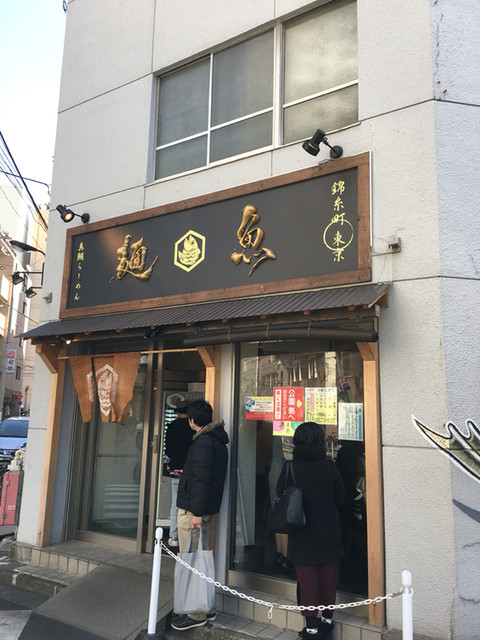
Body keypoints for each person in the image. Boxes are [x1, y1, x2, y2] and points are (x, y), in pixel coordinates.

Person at [276, 422, 346, 640]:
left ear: (296, 441)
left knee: (307, 581)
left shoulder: (290, 467)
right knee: (328, 578)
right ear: (321, 441)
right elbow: (341, 497)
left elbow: (279, 493)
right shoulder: (329, 467)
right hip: (328, 531)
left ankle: (312, 629)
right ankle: (327, 622)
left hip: (302, 532)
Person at [171, 399, 229, 632]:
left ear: (193, 420)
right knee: (201, 558)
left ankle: (196, 613)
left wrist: (196, 512)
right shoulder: (216, 441)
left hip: (193, 511)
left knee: (192, 559)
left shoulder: (203, 443)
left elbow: (201, 480)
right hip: (201, 509)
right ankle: (207, 607)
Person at [164, 402, 194, 547]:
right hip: (192, 469)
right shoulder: (194, 427)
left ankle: (174, 536)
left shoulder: (172, 426)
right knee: (193, 502)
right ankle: (189, 537)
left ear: (178, 413)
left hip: (177, 469)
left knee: (176, 503)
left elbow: (168, 450)